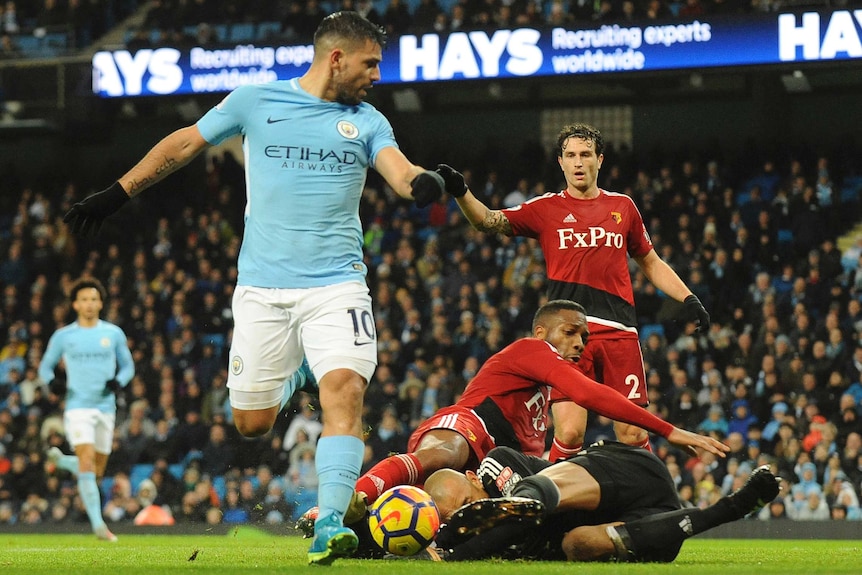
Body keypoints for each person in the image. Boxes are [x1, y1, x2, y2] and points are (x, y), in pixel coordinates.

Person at [62, 11, 446, 565]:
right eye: (370, 63)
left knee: (344, 391)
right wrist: (118, 192)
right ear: (335, 58)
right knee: (251, 424)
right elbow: (183, 145)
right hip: (262, 291)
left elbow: (401, 172)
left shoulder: (368, 122)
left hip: (337, 286)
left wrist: (424, 183)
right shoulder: (255, 100)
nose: (376, 75)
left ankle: (330, 524)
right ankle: (300, 373)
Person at [437, 123, 710, 459]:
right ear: (561, 162)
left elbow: (650, 262)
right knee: (569, 431)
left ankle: (647, 506)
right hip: (567, 335)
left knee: (633, 430)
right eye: (571, 155)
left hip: (619, 332)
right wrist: (462, 192)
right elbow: (488, 221)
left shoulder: (623, 207)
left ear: (600, 160)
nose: (578, 162)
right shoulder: (545, 208)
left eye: (585, 154)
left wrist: (688, 297)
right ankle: (555, 504)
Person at [331, 299, 727, 525]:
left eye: (584, 337)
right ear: (542, 333)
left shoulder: (546, 400)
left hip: (492, 461)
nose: (579, 343)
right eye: (570, 332)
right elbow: (589, 392)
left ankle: (366, 531)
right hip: (470, 424)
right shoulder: (531, 351)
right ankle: (346, 501)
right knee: (445, 453)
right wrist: (668, 431)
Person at [425, 443, 780, 562]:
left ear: (473, 478)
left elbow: (510, 524)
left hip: (622, 473)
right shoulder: (465, 534)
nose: (468, 516)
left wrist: (453, 556)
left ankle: (530, 499)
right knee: (577, 543)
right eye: (457, 516)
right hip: (654, 524)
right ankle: (730, 509)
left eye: (470, 502)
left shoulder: (494, 463)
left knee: (534, 498)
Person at [39, 277, 135, 542]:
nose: (89, 304)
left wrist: (120, 381)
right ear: (75, 304)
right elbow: (44, 367)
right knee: (88, 463)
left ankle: (62, 461)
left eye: (94, 299)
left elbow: (128, 366)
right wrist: (52, 384)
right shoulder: (64, 336)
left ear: (101, 303)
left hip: (105, 407)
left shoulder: (113, 334)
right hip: (77, 407)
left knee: (96, 472)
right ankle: (98, 525)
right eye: (84, 299)